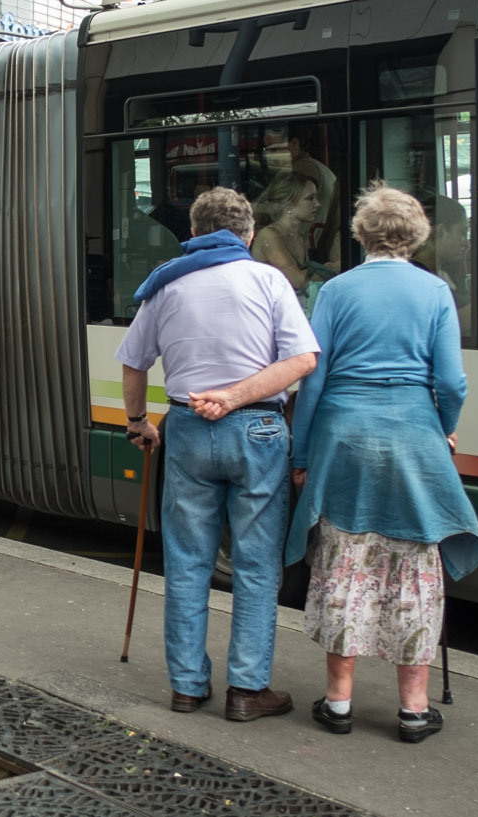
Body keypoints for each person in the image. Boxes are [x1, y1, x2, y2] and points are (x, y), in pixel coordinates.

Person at [272, 184, 478, 744]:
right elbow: (451, 381)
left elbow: (311, 378)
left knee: (345, 564)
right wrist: (440, 427)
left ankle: (338, 704)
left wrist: (301, 453)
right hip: (414, 435)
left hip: (343, 440)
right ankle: (413, 711)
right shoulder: (435, 291)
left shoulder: (337, 290)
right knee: (414, 568)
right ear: (416, 236)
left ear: (362, 233)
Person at [114, 187, 320, 721]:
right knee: (254, 566)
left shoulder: (166, 284)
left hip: (184, 429)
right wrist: (236, 396)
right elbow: (301, 361)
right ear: (248, 234)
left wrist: (138, 423)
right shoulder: (268, 280)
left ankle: (187, 686)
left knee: (186, 561)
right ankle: (248, 690)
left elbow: (134, 363)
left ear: (196, 233)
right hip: (257, 432)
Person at [251, 172, 332, 299]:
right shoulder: (269, 236)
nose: (317, 203)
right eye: (310, 198)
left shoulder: (300, 236)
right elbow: (299, 281)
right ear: (288, 204)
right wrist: (334, 267)